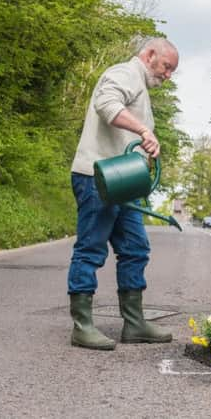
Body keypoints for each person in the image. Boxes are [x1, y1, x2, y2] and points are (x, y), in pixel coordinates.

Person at [67, 37, 179, 350]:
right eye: (167, 67)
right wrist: (144, 131)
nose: (168, 75)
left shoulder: (140, 87)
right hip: (97, 177)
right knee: (90, 249)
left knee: (135, 248)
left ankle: (134, 323)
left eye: (172, 71)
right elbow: (106, 104)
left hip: (123, 183)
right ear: (150, 54)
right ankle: (82, 326)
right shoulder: (125, 73)